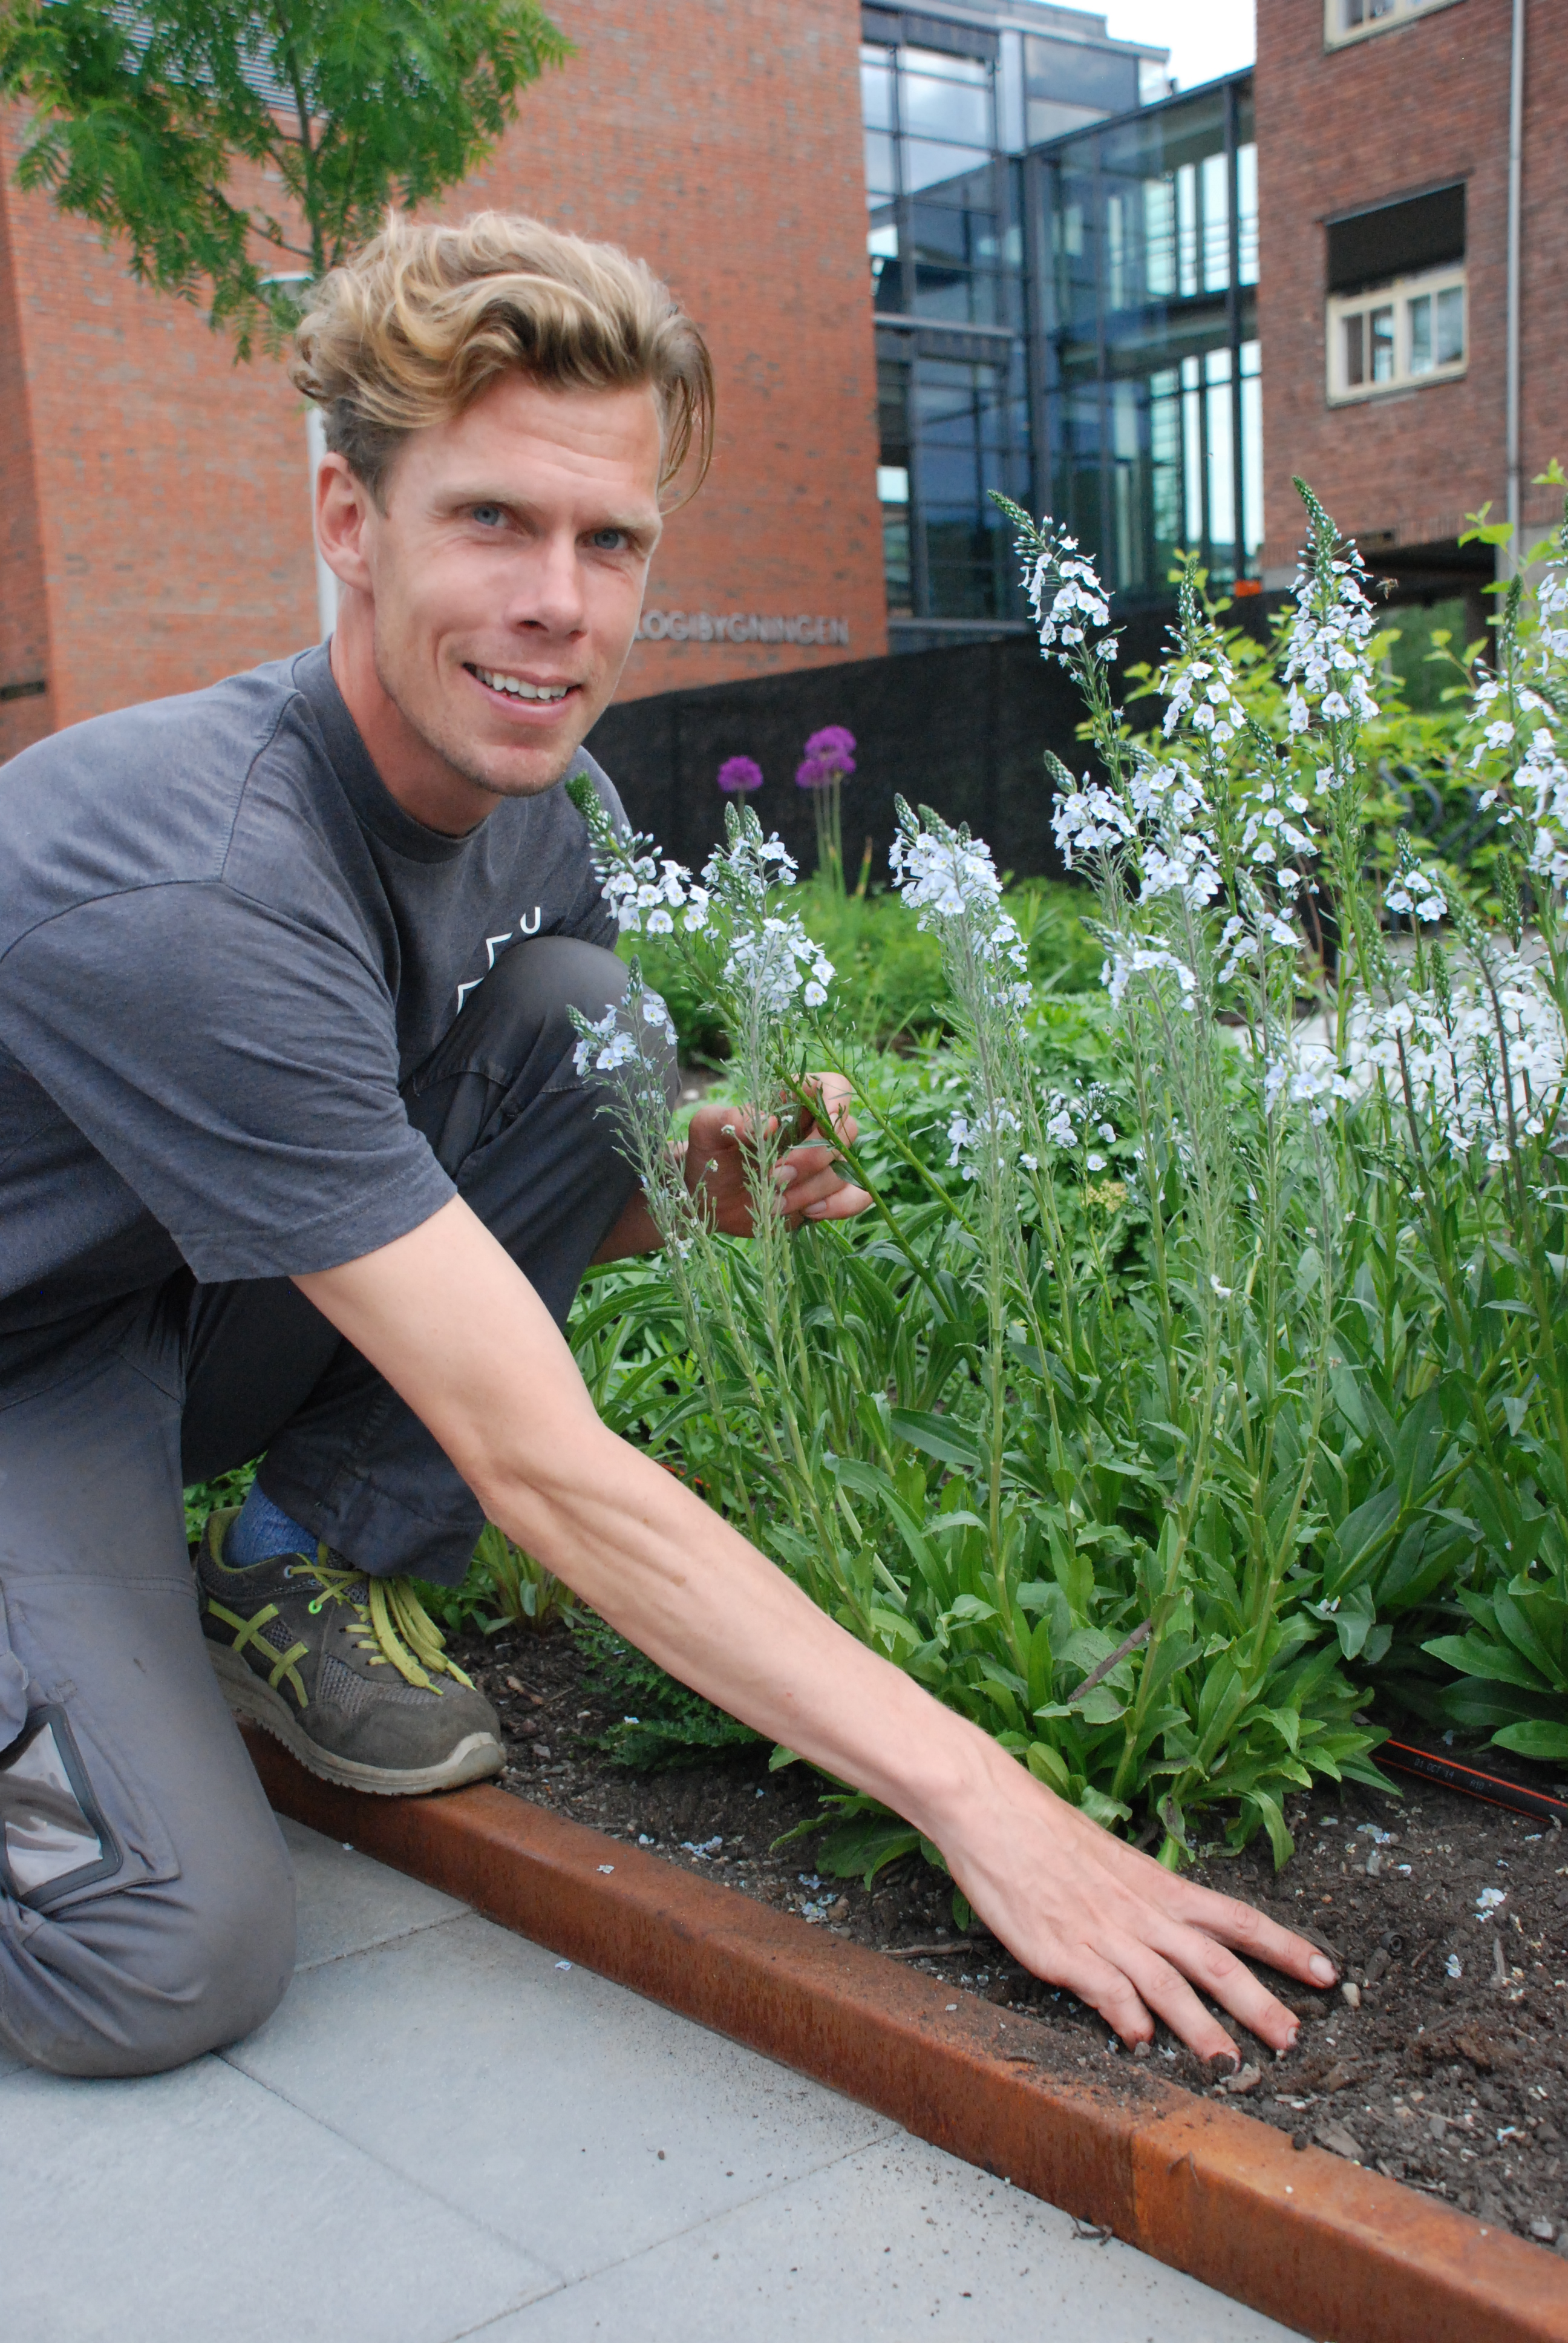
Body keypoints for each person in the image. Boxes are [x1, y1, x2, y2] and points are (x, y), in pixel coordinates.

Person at [0, 211, 1338, 2082]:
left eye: (609, 538)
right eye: (492, 521)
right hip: (29, 1369)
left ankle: (288, 1566)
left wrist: (688, 1191)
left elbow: (504, 1194)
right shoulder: (211, 880)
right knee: (165, 1956)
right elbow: (540, 1462)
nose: (562, 600)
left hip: (162, 1294)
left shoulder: (531, 800)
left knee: (591, 1025)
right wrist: (989, 1802)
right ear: (347, 522)